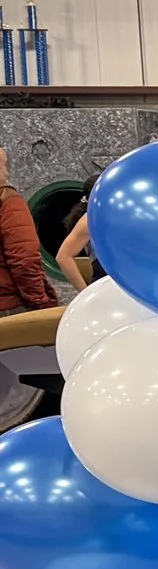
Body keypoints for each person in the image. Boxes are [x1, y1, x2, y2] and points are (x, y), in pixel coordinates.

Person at [0, 145, 58, 429]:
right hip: (10, 313)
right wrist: (41, 307)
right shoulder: (7, 202)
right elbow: (24, 260)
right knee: (27, 402)